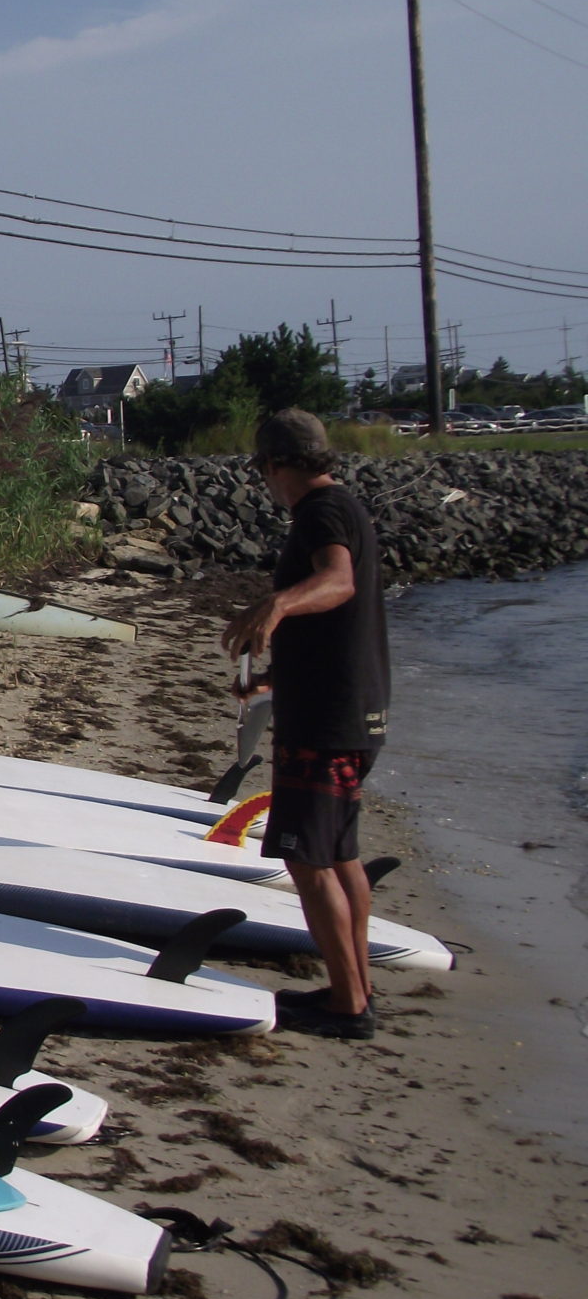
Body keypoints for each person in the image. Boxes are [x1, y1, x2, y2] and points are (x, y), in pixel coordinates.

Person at [220, 409, 390, 1041]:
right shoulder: (342, 506)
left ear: (272, 465)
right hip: (348, 709)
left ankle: (348, 1006)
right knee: (339, 855)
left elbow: (338, 582)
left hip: (326, 720)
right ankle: (355, 990)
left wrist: (278, 602)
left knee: (306, 859)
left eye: (264, 470)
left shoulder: (321, 511)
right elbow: (337, 627)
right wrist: (271, 681)